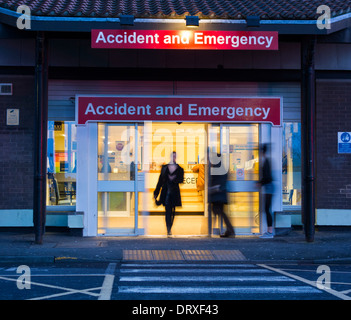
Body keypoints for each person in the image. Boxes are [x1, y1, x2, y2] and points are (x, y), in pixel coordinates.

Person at [154, 151, 184, 236]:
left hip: (174, 192)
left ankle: (170, 226)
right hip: (166, 192)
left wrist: (174, 178)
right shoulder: (164, 168)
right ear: (170, 157)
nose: (174, 158)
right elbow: (160, 181)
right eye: (173, 156)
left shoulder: (180, 168)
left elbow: (181, 180)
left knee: (173, 211)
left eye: (175, 156)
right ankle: (168, 228)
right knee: (168, 211)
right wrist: (156, 192)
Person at [209, 153, 235, 238]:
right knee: (221, 212)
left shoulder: (216, 168)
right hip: (221, 195)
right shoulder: (223, 168)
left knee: (219, 212)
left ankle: (228, 230)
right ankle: (228, 230)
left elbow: (216, 181)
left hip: (218, 195)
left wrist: (213, 188)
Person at [257, 144, 274, 239]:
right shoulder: (266, 161)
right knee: (267, 209)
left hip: (269, 188)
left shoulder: (266, 161)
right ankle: (269, 231)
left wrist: (260, 183)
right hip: (268, 187)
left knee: (267, 209)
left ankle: (270, 232)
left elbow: (267, 177)